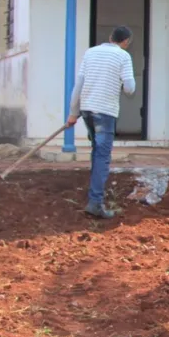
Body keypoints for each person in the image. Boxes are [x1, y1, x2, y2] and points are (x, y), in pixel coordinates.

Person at [66, 26, 136, 219]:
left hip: (87, 110)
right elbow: (130, 88)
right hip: (105, 112)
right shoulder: (123, 56)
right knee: (102, 157)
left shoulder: (90, 53)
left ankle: (94, 196)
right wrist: (122, 83)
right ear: (126, 42)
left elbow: (78, 85)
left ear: (110, 37)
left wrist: (73, 113)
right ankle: (95, 203)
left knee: (97, 152)